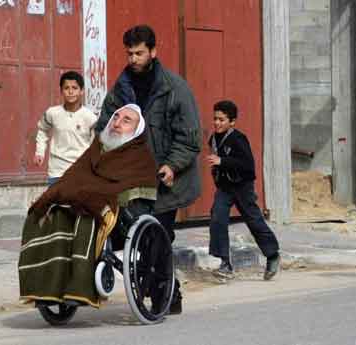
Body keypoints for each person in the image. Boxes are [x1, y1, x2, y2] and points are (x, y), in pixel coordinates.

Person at [95, 25, 202, 314]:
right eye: (129, 53)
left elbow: (190, 137)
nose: (133, 59)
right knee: (142, 238)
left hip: (169, 181)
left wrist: (172, 165)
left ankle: (162, 298)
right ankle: (170, 294)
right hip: (134, 179)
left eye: (139, 53)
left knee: (158, 239)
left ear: (153, 52)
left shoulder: (174, 88)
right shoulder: (121, 88)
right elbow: (105, 126)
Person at [21, 104, 159, 307]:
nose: (117, 123)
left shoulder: (140, 155)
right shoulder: (98, 148)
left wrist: (91, 194)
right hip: (89, 200)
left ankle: (80, 289)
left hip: (122, 212)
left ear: (137, 131)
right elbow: (74, 175)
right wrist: (49, 197)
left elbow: (127, 186)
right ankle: (46, 288)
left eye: (126, 121)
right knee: (48, 212)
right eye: (116, 118)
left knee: (87, 214)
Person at [206, 100, 280, 280]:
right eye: (215, 119)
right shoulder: (213, 138)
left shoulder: (238, 139)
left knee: (254, 221)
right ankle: (224, 262)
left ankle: (272, 255)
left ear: (232, 122)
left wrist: (222, 162)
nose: (217, 123)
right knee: (217, 218)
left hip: (242, 187)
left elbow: (248, 165)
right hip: (225, 187)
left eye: (222, 120)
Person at [34, 71, 97, 186]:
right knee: (56, 203)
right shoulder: (52, 113)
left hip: (80, 171)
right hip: (57, 171)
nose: (70, 92)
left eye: (75, 88)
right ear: (61, 91)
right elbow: (42, 130)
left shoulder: (90, 117)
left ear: (82, 91)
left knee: (78, 204)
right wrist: (40, 152)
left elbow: (95, 144)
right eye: (66, 88)